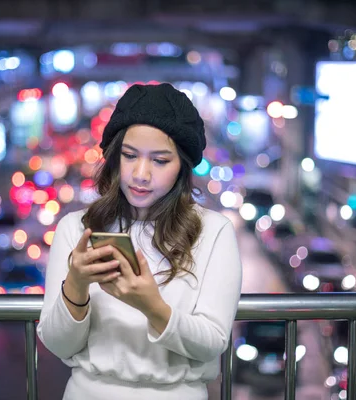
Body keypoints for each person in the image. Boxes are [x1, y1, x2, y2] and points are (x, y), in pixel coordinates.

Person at [37, 83, 243, 399]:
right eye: (129, 156)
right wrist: (76, 287)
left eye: (160, 161)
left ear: (182, 167)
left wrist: (152, 307)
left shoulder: (213, 231)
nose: (141, 174)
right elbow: (58, 344)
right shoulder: (75, 228)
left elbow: (212, 343)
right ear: (113, 156)